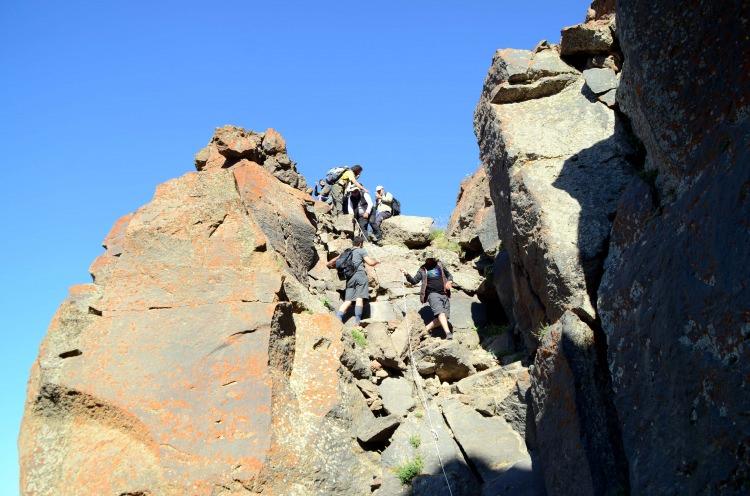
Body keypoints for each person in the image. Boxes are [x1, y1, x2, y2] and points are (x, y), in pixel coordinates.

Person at [400, 250, 454, 339]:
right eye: (427, 259)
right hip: (432, 294)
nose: (429, 260)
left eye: (430, 258)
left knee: (444, 317)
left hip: (444, 294)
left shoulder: (440, 265)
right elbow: (414, 281)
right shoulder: (422, 269)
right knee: (440, 312)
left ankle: (424, 330)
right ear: (425, 259)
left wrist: (450, 281)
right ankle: (448, 333)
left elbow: (449, 275)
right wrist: (406, 274)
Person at [327, 236, 379, 325]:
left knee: (348, 300)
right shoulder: (361, 251)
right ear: (360, 244)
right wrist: (377, 261)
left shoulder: (347, 251)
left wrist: (329, 263)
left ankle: (338, 318)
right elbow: (370, 262)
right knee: (359, 298)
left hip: (349, 278)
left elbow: (333, 261)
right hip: (360, 276)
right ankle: (357, 322)